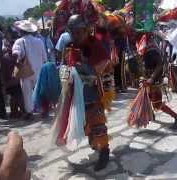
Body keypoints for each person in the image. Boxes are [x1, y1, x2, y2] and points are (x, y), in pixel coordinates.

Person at [59, 14, 111, 170]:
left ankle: (104, 152)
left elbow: (101, 69)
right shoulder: (69, 46)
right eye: (72, 33)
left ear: (86, 30)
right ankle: (95, 142)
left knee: (97, 123)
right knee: (82, 123)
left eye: (78, 32)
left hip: (94, 92)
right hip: (76, 94)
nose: (75, 36)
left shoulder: (95, 45)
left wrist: (86, 75)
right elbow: (63, 65)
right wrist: (66, 76)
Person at [137, 33, 177, 129]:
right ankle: (151, 115)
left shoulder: (152, 50)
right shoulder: (148, 48)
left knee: (157, 103)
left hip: (154, 81)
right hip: (149, 80)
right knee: (148, 97)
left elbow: (159, 64)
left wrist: (151, 78)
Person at [12, 20, 47, 119]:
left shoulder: (19, 41)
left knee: (27, 92)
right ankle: (43, 110)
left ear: (21, 31)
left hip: (26, 71)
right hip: (39, 70)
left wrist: (16, 63)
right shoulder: (39, 41)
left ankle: (29, 112)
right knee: (40, 90)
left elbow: (15, 53)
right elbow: (45, 57)